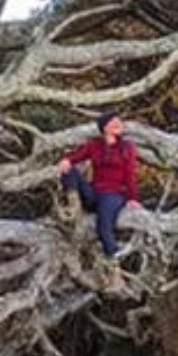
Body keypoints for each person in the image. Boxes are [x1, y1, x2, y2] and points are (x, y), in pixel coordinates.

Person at [55, 111, 141, 263]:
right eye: (113, 122)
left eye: (119, 122)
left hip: (113, 195)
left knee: (103, 227)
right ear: (104, 127)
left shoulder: (127, 147)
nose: (118, 124)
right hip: (94, 192)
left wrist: (133, 198)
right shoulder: (95, 145)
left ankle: (113, 257)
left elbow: (130, 175)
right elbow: (77, 156)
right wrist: (66, 160)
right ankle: (72, 202)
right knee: (69, 170)